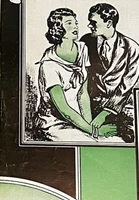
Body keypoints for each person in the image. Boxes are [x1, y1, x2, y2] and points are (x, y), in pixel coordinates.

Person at [35, 8, 115, 142]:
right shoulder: (49, 65)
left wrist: (90, 127)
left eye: (75, 23)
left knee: (105, 141)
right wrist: (94, 131)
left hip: (79, 121)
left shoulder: (82, 49)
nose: (75, 26)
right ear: (57, 28)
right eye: (69, 23)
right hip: (55, 123)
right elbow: (64, 109)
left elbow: (83, 94)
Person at [80, 3, 139, 142]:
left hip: (115, 108)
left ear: (108, 23)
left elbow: (126, 87)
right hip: (88, 107)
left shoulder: (132, 48)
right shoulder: (85, 42)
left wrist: (105, 113)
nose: (89, 26)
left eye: (93, 22)